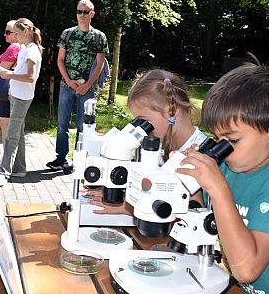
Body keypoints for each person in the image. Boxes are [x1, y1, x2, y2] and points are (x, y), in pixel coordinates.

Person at [179, 64, 269, 293]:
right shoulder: (228, 167)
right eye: (216, 138)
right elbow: (203, 216)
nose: (223, 149)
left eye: (232, 140)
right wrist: (190, 184)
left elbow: (246, 270)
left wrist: (219, 189)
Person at [86, 69, 207, 215]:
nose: (141, 128)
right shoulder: (157, 145)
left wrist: (130, 208)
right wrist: (116, 192)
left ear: (172, 112)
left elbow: (189, 209)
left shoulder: (201, 152)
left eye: (144, 121)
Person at [47, 0, 109, 172]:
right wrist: (68, 81)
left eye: (85, 12)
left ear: (92, 14)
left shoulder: (99, 36)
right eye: (79, 11)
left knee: (84, 126)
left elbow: (100, 64)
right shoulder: (67, 34)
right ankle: (61, 158)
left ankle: (80, 160)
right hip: (67, 86)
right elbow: (60, 60)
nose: (81, 15)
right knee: (62, 125)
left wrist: (88, 84)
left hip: (87, 89)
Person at [0, 18, 43, 187]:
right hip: (16, 94)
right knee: (17, 134)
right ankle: (20, 168)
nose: (16, 37)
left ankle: (3, 173)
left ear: (27, 32)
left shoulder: (32, 50)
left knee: (12, 135)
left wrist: (9, 74)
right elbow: (22, 72)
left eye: (18, 34)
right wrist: (8, 72)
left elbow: (30, 77)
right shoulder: (25, 48)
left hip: (22, 96)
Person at [0, 20, 20, 145]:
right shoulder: (19, 46)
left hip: (6, 89)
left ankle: (6, 157)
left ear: (16, 33)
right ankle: (6, 156)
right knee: (6, 123)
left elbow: (3, 69)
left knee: (5, 123)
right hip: (11, 89)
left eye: (8, 32)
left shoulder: (14, 47)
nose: (5, 35)